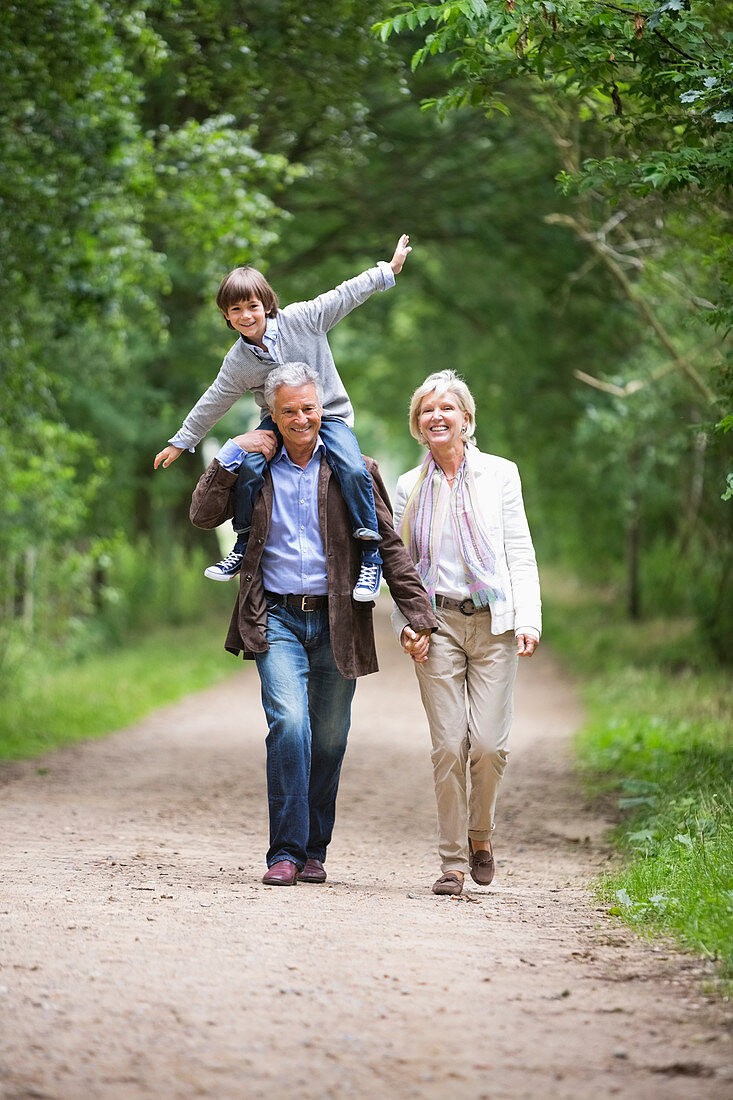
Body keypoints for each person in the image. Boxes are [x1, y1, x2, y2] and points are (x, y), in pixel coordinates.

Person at [190, 361, 438, 886]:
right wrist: (230, 455)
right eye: (289, 411)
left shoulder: (354, 470)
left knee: (328, 737)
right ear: (272, 416)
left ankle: (313, 850)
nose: (301, 419)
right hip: (274, 615)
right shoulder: (255, 467)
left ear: (320, 408)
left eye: (309, 408)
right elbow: (202, 515)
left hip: (337, 622)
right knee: (290, 724)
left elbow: (389, 547)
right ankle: (284, 850)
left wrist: (418, 613)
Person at [155, 235, 412, 603]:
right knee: (250, 464)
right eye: (235, 311)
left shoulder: (303, 319)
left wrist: (387, 270)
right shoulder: (239, 361)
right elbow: (215, 399)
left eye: (252, 306)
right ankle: (243, 544)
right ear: (226, 316)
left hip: (329, 413)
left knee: (354, 470)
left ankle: (369, 553)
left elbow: (344, 294)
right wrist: (182, 440)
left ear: (266, 304)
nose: (246, 316)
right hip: (277, 421)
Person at [392, 370, 541, 897]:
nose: (436, 416)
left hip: (495, 622)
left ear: (466, 419)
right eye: (426, 410)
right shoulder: (409, 487)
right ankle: (454, 862)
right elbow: (401, 568)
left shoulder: (500, 475)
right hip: (438, 625)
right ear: (418, 424)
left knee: (489, 746)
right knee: (450, 746)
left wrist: (528, 618)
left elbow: (519, 553)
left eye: (446, 408)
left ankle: (482, 835)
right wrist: (409, 624)